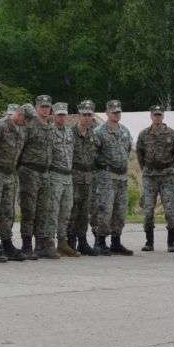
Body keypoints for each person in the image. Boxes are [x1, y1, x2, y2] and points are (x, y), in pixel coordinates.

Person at [0, 104, 32, 261]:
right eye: (25, 119)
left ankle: (7, 242)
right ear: (18, 114)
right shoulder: (0, 126)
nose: (26, 123)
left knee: (8, 211)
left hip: (10, 173)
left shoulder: (22, 129)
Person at [136, 106, 174, 253]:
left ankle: (171, 242)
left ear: (163, 116)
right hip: (150, 176)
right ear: (151, 116)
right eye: (155, 115)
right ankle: (149, 242)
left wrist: (167, 167)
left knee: (170, 210)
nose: (157, 117)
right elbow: (139, 154)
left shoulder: (171, 134)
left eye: (159, 115)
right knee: (148, 210)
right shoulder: (144, 134)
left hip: (166, 175)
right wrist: (146, 169)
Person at [92, 100, 133, 256]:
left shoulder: (125, 131)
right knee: (105, 209)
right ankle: (100, 241)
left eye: (118, 112)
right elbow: (94, 154)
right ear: (107, 113)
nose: (116, 114)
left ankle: (116, 241)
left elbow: (128, 149)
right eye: (114, 112)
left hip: (122, 176)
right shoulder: (99, 132)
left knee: (120, 210)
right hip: (106, 176)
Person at [18, 95, 53, 260]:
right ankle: (26, 246)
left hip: (45, 173)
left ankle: (41, 245)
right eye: (42, 107)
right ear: (36, 107)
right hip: (29, 171)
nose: (45, 110)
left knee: (42, 210)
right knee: (29, 210)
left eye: (47, 107)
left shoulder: (50, 126)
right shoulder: (30, 125)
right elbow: (20, 148)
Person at [46, 102, 79, 257]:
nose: (61, 117)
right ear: (53, 114)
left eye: (63, 115)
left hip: (68, 175)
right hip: (55, 174)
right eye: (59, 114)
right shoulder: (49, 131)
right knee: (53, 210)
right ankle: (49, 242)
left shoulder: (69, 131)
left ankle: (62, 242)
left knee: (66, 210)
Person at [68, 100, 98, 256]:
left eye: (89, 115)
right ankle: (70, 241)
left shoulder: (94, 134)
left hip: (88, 177)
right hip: (74, 176)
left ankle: (83, 241)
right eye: (84, 115)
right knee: (72, 210)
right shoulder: (70, 133)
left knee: (85, 212)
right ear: (79, 115)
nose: (87, 117)